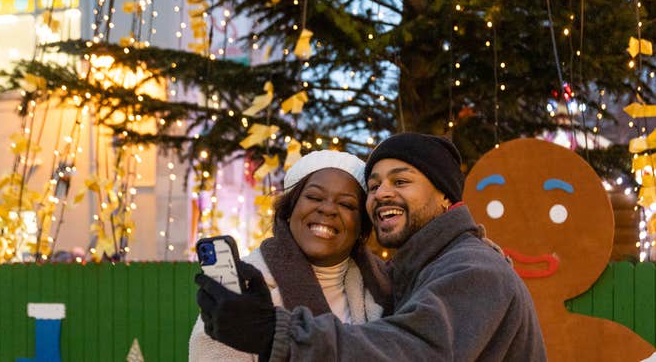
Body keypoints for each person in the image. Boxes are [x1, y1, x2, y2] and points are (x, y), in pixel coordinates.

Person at [195, 132, 547, 361]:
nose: (383, 194)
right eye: (375, 185)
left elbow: (413, 350)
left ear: (445, 197)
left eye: (402, 180)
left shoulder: (473, 269)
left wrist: (278, 332)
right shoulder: (408, 273)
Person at [191, 150, 390, 361]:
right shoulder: (245, 290)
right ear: (289, 210)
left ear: (362, 226)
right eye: (314, 197)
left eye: (346, 204)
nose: (328, 209)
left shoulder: (386, 287)